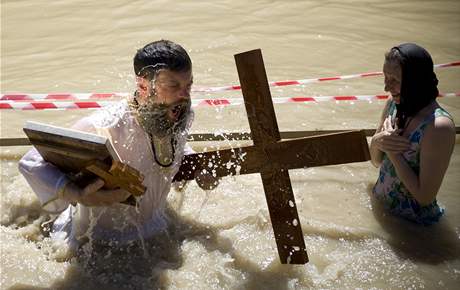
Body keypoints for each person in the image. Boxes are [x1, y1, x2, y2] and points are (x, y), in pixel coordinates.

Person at [19, 40, 218, 253]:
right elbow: (30, 162)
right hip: (100, 244)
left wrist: (197, 168)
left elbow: (173, 149)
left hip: (158, 229)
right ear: (143, 86)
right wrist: (77, 194)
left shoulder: (176, 112)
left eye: (189, 85)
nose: (185, 96)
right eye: (173, 86)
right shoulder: (104, 125)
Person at [370, 43, 455, 225]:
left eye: (394, 80)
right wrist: (378, 141)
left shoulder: (438, 127)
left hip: (413, 227)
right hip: (380, 210)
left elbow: (424, 196)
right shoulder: (394, 102)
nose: (386, 87)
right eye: (385, 77)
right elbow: (376, 161)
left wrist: (394, 153)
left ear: (415, 82)